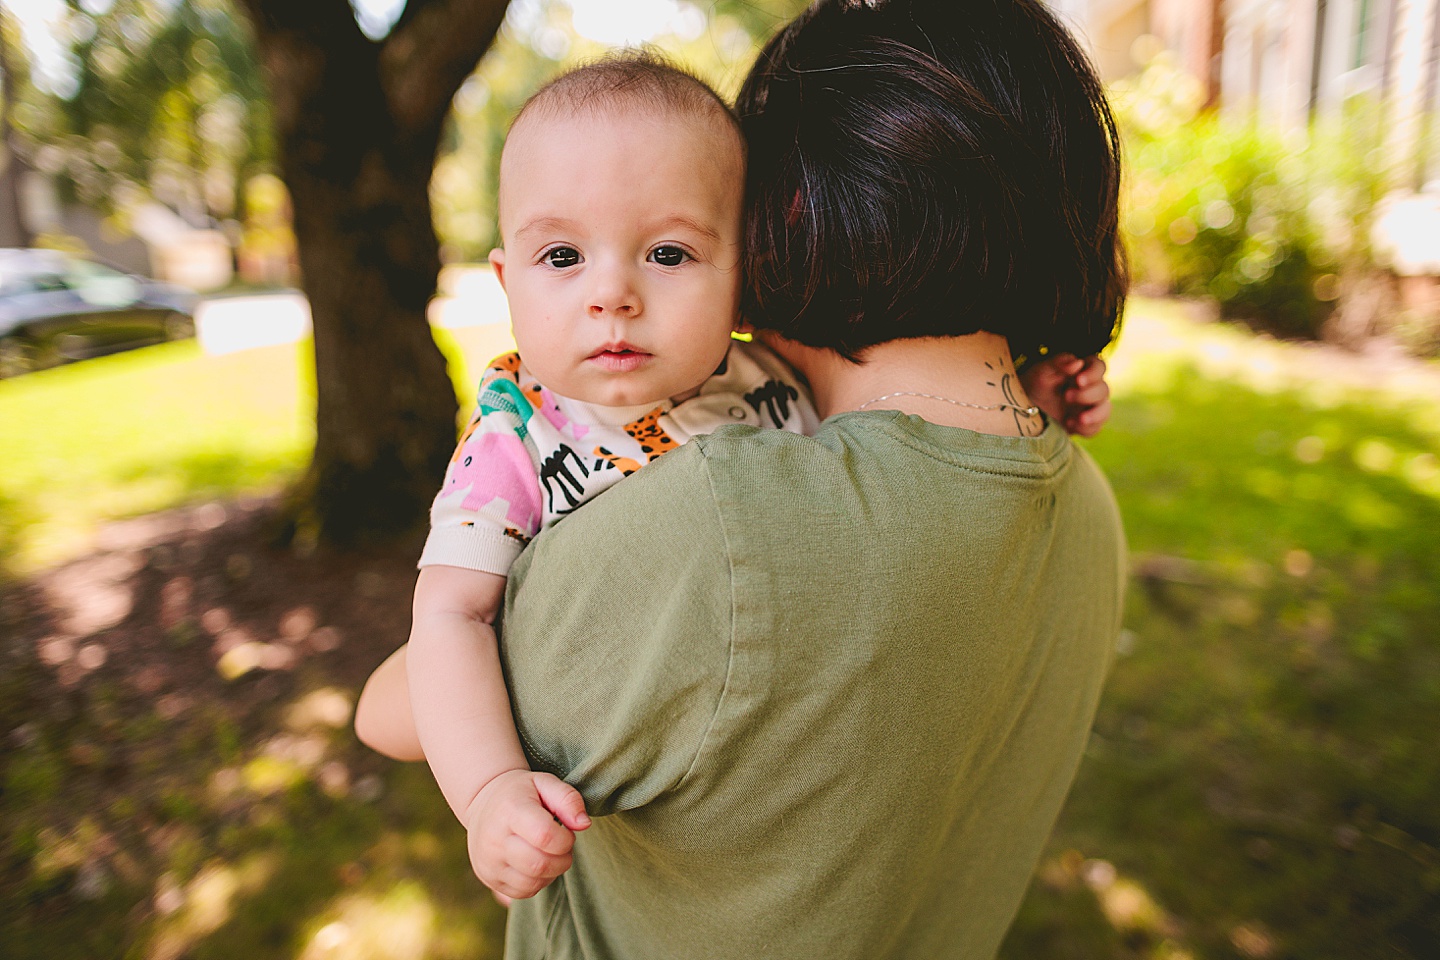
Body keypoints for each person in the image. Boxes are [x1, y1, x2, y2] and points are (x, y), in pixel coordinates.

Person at [353, 38, 1114, 918]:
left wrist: (1033, 384)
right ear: (505, 281)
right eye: (561, 257)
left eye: (668, 255)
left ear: (743, 278)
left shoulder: (758, 376)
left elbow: (909, 391)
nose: (613, 294)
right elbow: (451, 616)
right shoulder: (511, 443)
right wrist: (488, 790)